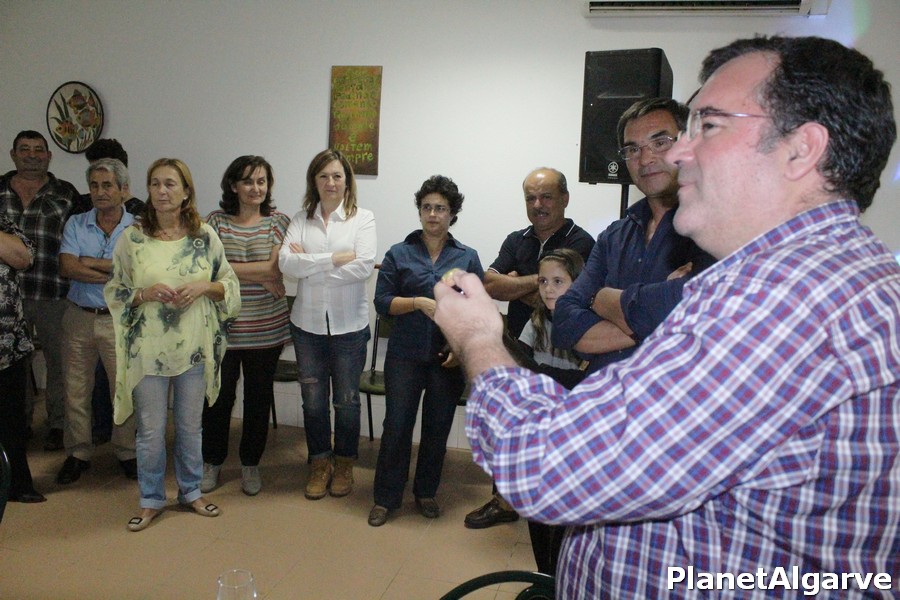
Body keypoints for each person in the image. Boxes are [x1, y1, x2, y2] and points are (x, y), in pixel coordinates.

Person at [433, 35, 899, 597]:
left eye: (708, 126)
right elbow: (575, 319)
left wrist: (480, 338)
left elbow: (545, 467)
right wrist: (643, 310)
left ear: (801, 149)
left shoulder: (784, 301)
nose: (677, 155)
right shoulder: (807, 275)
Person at [105, 158, 241, 532]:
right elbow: (114, 290)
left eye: (170, 184)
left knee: (190, 427)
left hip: (193, 349)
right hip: (148, 351)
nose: (162, 191)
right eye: (155, 183)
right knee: (150, 431)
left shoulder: (205, 237)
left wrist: (204, 287)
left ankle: (191, 491)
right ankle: (151, 499)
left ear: (186, 192)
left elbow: (230, 286)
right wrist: (143, 293)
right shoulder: (132, 239)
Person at [464, 167, 594, 530]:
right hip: (521, 348)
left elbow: (577, 295)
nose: (538, 205)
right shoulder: (516, 240)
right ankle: (504, 501)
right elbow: (490, 285)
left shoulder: (584, 243)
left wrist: (516, 285)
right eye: (530, 198)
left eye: (546, 196)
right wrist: (540, 281)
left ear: (564, 198)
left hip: (568, 354)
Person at [553, 98, 715, 374]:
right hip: (602, 393)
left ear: (688, 144)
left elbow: (698, 304)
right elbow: (564, 322)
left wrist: (600, 299)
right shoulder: (613, 236)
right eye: (632, 149)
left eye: (660, 142)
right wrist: (653, 320)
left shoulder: (715, 229)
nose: (645, 159)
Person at [367, 175, 483, 527]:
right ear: (419, 211)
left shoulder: (467, 257)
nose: (433, 214)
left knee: (437, 427)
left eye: (441, 208)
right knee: (397, 426)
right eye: (427, 207)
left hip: (446, 358)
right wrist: (418, 302)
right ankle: (386, 498)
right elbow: (382, 302)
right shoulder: (398, 253)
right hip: (405, 355)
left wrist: (460, 349)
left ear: (452, 214)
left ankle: (426, 492)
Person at [278, 149, 376, 501]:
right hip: (307, 327)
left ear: (347, 180)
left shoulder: (363, 219)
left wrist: (309, 264)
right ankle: (320, 462)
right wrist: (333, 259)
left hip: (349, 327)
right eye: (323, 176)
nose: (331, 182)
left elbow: (363, 267)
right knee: (313, 401)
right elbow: (286, 264)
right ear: (314, 182)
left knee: (347, 402)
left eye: (337, 176)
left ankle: (344, 463)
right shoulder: (300, 219)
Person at [201, 156, 290, 496]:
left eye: (262, 181)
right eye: (248, 181)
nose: (256, 188)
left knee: (258, 400)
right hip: (223, 330)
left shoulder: (278, 222)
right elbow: (208, 269)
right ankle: (212, 462)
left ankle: (250, 463)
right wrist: (260, 274)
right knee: (218, 400)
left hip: (266, 330)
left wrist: (234, 270)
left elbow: (274, 269)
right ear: (233, 185)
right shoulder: (215, 222)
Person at [56, 158, 137, 485]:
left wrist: (89, 262)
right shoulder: (76, 223)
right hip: (79, 317)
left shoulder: (137, 228)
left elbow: (136, 273)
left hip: (119, 320)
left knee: (123, 390)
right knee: (75, 390)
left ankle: (127, 452)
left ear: (123, 189)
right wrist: (113, 275)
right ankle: (78, 453)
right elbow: (67, 267)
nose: (100, 192)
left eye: (107, 185)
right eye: (94, 185)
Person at [0, 130, 79, 451]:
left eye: (38, 150)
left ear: (48, 156)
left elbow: (78, 237)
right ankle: (18, 423)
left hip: (53, 293)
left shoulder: (66, 193)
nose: (32, 155)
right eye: (24, 149)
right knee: (13, 365)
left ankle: (58, 424)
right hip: (7, 299)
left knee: (59, 363)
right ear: (13, 154)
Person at [518, 249, 586, 574]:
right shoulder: (537, 320)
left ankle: (559, 578)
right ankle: (543, 576)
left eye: (558, 281)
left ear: (579, 283)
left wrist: (538, 374)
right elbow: (520, 365)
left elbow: (580, 381)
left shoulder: (589, 325)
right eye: (543, 281)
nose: (548, 289)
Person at [0, 215, 45, 503]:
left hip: (8, 344)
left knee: (11, 419)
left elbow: (23, 258)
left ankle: (17, 483)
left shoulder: (3, 223)